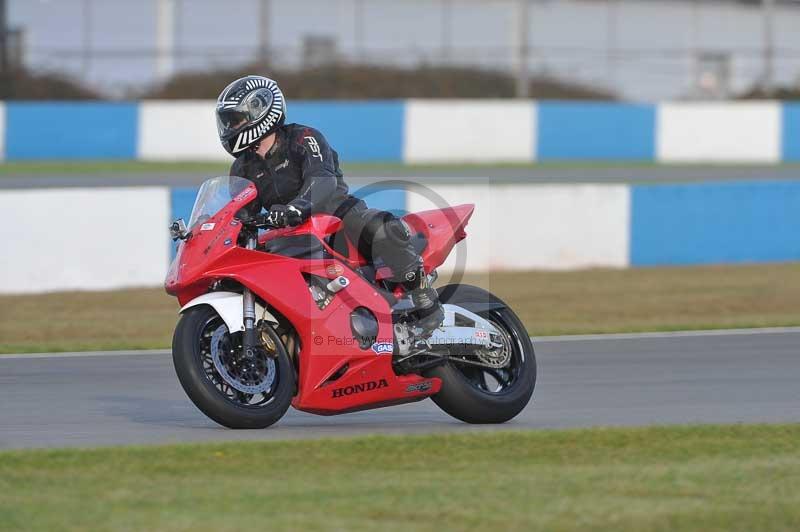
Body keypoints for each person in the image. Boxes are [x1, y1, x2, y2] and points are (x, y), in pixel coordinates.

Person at [216, 75, 443, 335]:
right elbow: (239, 211)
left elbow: (322, 182)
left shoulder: (304, 138)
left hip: (337, 219)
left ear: (261, 110)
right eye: (228, 122)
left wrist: (296, 208)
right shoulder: (243, 167)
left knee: (381, 227)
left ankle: (425, 299)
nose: (231, 127)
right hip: (290, 235)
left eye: (237, 119)